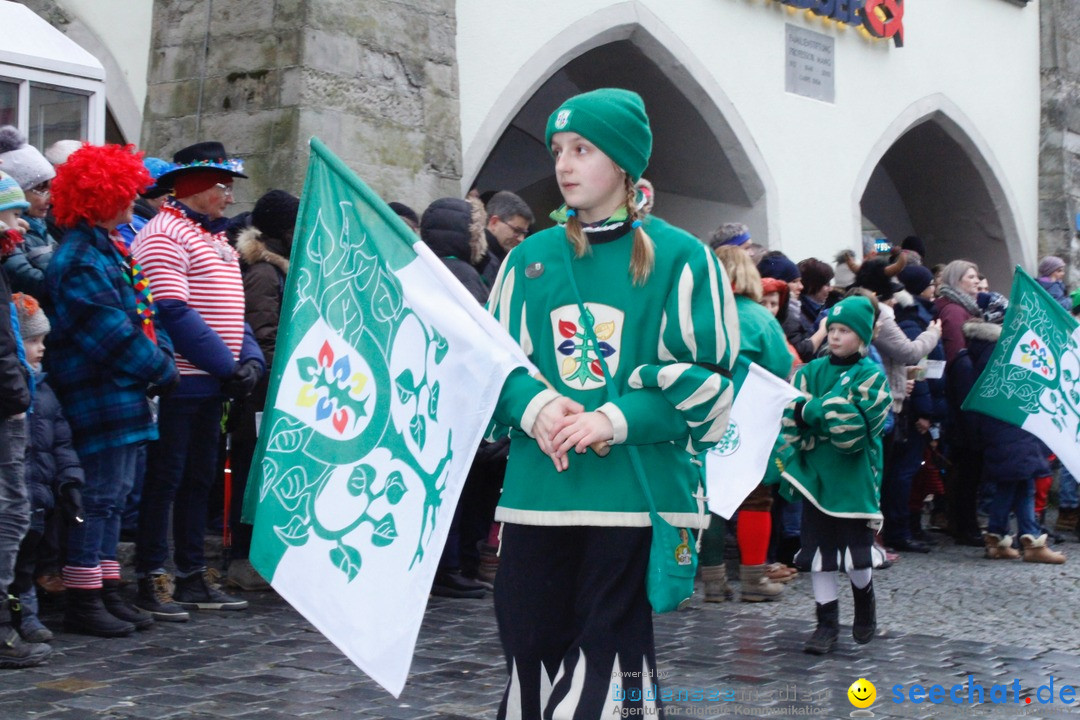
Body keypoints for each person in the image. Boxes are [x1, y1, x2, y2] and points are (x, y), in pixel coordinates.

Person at [486, 88, 739, 718]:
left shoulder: (683, 259)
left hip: (628, 495)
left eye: (583, 149)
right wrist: (536, 406)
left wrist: (612, 418)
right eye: (558, 150)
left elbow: (707, 380)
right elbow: (492, 362)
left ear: (624, 164)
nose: (565, 165)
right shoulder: (528, 259)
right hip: (539, 492)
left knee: (607, 660)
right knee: (527, 642)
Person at [45, 143, 179, 637]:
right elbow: (108, 331)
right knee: (98, 496)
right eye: (124, 192)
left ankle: (106, 588)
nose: (134, 199)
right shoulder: (79, 258)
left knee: (116, 494)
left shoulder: (110, 247)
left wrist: (161, 357)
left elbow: (146, 314)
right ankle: (84, 596)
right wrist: (159, 368)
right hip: (99, 390)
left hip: (124, 390)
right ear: (100, 197)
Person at [132, 141, 264, 619]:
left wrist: (249, 358)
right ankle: (153, 573)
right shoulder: (164, 234)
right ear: (194, 186)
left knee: (198, 478)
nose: (229, 196)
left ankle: (190, 572)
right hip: (180, 381)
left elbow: (235, 311)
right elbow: (171, 310)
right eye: (222, 186)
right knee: (165, 480)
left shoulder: (215, 239)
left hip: (211, 381)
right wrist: (227, 366)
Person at [780, 295, 891, 655]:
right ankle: (825, 624)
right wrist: (820, 411)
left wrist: (814, 411)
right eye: (832, 329)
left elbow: (855, 431)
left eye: (845, 331)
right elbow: (792, 416)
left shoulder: (872, 375)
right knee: (819, 555)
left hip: (854, 479)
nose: (835, 336)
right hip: (817, 479)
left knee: (856, 554)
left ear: (862, 336)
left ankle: (865, 600)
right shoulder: (811, 371)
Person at [701, 246, 794, 603]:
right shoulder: (759, 317)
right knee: (756, 498)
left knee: (710, 500)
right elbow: (780, 364)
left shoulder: (700, 315)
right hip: (750, 419)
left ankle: (713, 582)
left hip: (706, 416)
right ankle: (754, 579)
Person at [229, 189, 299, 592]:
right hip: (262, 396)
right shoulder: (263, 273)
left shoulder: (280, 269)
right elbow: (264, 336)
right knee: (249, 477)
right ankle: (242, 558)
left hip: (277, 393)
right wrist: (284, 379)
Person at [957, 316, 1065, 564]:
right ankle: (1031, 539)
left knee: (1012, 484)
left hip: (1004, 427)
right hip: (1010, 425)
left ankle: (998, 538)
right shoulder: (997, 352)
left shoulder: (983, 351)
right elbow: (1010, 388)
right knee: (1023, 482)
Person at [9, 293, 84, 644]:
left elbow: (61, 442)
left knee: (27, 566)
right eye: (32, 340)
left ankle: (29, 617)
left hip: (40, 498)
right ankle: (13, 620)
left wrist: (70, 480)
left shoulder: (47, 391)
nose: (41, 348)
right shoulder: (12, 391)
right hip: (14, 497)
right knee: (10, 565)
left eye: (42, 340)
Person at [0, 173, 49, 667]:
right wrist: (17, 393)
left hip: (9, 398)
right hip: (6, 405)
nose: (21, 222)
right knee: (10, 513)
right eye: (14, 213)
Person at [934, 259, 985, 547]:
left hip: (958, 399)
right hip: (962, 401)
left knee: (965, 466)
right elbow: (958, 361)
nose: (976, 282)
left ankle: (962, 521)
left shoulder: (960, 308)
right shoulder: (954, 311)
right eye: (970, 277)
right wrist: (972, 405)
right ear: (956, 280)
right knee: (967, 466)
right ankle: (964, 524)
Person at [0, 127, 57, 299]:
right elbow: (30, 280)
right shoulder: (10, 234)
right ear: (16, 192)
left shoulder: (41, 225)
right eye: (40, 190)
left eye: (50, 189)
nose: (50, 198)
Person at [479, 190, 533, 287]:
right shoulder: (482, 261)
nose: (521, 239)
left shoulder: (502, 259)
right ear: (494, 223)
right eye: (517, 231)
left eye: (524, 233)